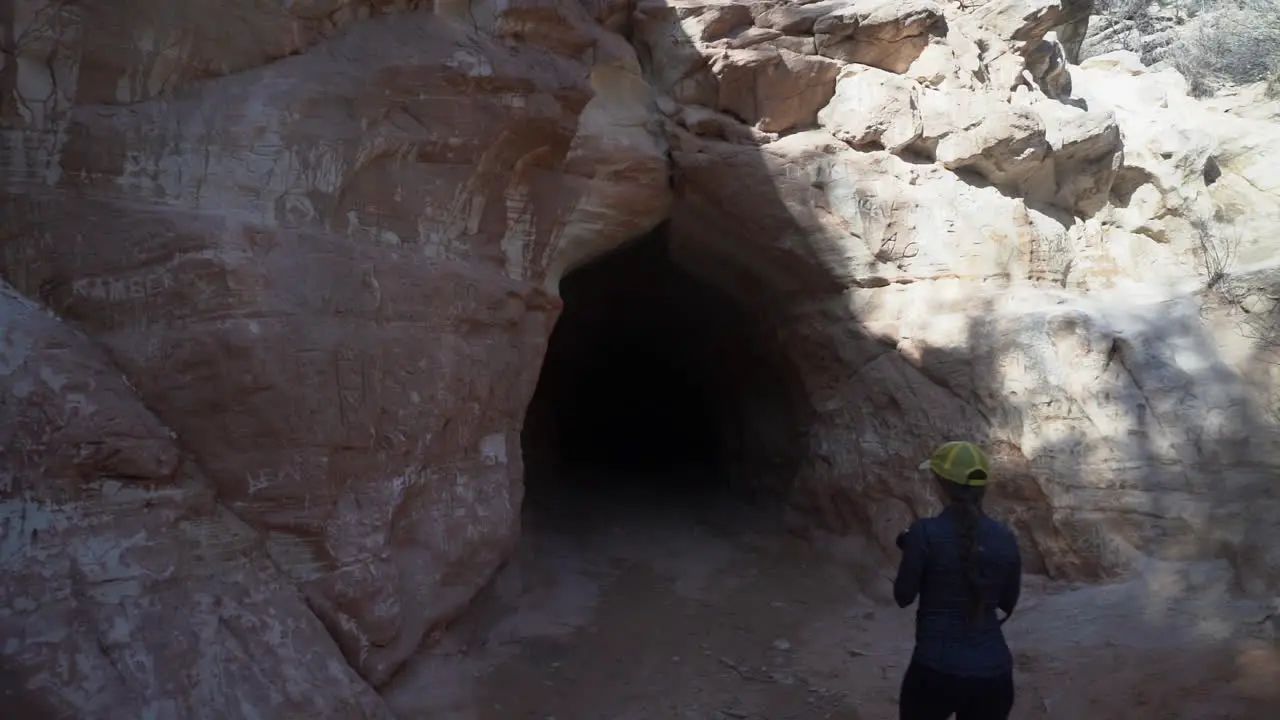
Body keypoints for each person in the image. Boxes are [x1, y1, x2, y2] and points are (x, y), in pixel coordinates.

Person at [892, 441, 1023, 720]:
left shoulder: (924, 533)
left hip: (934, 670)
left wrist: (914, 550)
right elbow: (1006, 601)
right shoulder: (1006, 538)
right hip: (994, 675)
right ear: (983, 488)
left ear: (940, 484)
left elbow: (903, 596)